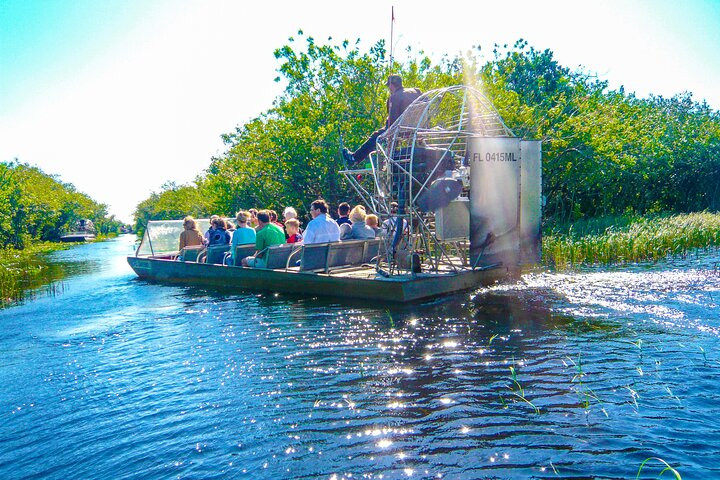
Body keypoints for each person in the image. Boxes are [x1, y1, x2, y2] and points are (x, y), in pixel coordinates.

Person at [342, 74, 422, 165]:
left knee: (377, 136)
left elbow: (392, 123)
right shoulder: (416, 91)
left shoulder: (394, 98)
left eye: (388, 86)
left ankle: (354, 158)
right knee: (390, 131)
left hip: (402, 129)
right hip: (419, 128)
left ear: (391, 85)